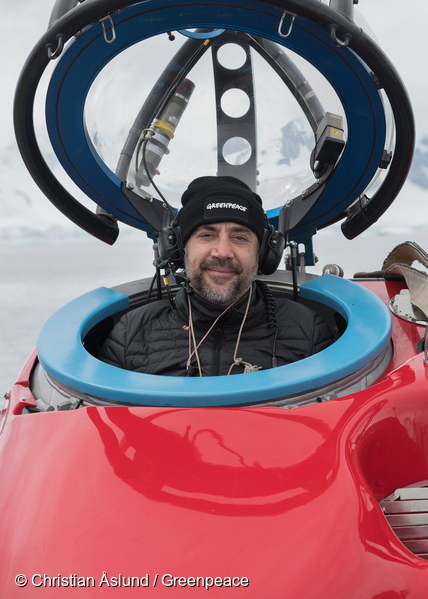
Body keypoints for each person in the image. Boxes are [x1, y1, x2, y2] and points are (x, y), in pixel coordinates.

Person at [99, 176, 334, 376]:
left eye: (239, 237)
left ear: (262, 253)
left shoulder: (308, 331)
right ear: (180, 249)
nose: (223, 252)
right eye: (207, 235)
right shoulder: (131, 334)